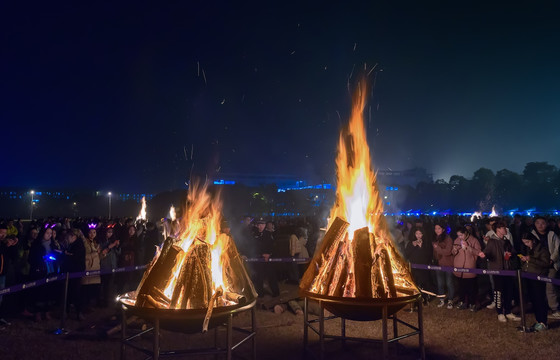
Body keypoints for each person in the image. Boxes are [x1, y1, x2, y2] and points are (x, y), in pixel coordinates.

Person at [479, 221, 520, 322]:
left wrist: (511, 254)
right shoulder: (492, 241)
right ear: (498, 229)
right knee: (499, 292)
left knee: (509, 291)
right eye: (503, 227)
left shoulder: (507, 241)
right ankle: (500, 313)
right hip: (498, 271)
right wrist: (484, 255)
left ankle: (508, 311)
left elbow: (513, 252)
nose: (505, 229)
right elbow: (488, 252)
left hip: (508, 270)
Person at [531, 216, 560, 319]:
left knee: (550, 286)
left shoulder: (552, 234)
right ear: (535, 224)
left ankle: (555, 309)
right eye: (538, 223)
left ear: (547, 224)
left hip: (551, 265)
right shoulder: (532, 235)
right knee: (539, 287)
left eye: (542, 223)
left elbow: (557, 248)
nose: (540, 225)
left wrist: (552, 259)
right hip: (538, 265)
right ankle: (543, 307)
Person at [520, 232, 550, 331]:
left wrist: (531, 259)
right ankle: (538, 320)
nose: (526, 244)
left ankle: (543, 322)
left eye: (527, 242)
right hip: (529, 276)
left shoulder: (542, 249)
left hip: (538, 277)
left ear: (532, 240)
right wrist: (524, 261)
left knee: (540, 300)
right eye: (524, 243)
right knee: (534, 300)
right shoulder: (529, 249)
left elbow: (545, 263)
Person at [452, 227, 481, 311]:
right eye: (458, 235)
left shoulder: (474, 240)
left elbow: (478, 252)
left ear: (466, 233)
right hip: (458, 266)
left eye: (461, 235)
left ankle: (472, 303)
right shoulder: (457, 240)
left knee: (471, 286)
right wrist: (454, 250)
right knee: (461, 286)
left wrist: (468, 247)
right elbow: (453, 252)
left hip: (469, 266)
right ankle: (462, 301)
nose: (459, 237)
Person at [62, 229, 86, 320]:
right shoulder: (72, 245)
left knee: (75, 292)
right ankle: (69, 311)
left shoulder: (78, 246)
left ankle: (77, 312)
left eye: (68, 236)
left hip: (75, 272)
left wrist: (66, 255)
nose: (66, 238)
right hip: (72, 272)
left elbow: (75, 258)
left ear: (73, 236)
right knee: (70, 292)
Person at [252, 218, 279, 298]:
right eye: (258, 225)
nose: (259, 226)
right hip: (259, 260)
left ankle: (276, 293)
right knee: (259, 278)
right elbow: (255, 247)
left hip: (268, 260)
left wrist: (269, 254)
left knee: (271, 277)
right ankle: (260, 294)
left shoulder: (268, 234)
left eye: (261, 224)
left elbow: (272, 246)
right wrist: (260, 254)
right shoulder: (255, 234)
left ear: (264, 225)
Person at [405, 228, 434, 304]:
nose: (418, 235)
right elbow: (407, 254)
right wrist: (413, 245)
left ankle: (425, 298)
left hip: (424, 267)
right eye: (417, 234)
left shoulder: (427, 243)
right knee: (415, 283)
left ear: (423, 234)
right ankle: (415, 299)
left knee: (424, 282)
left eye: (420, 234)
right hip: (414, 267)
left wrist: (421, 247)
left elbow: (429, 255)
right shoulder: (410, 243)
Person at [432, 223, 455, 309]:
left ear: (443, 229)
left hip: (448, 264)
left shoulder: (448, 239)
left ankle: (450, 300)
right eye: (435, 228)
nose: (437, 230)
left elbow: (448, 252)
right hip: (438, 264)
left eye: (439, 228)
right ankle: (441, 299)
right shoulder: (435, 239)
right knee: (440, 283)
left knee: (449, 283)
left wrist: (437, 248)